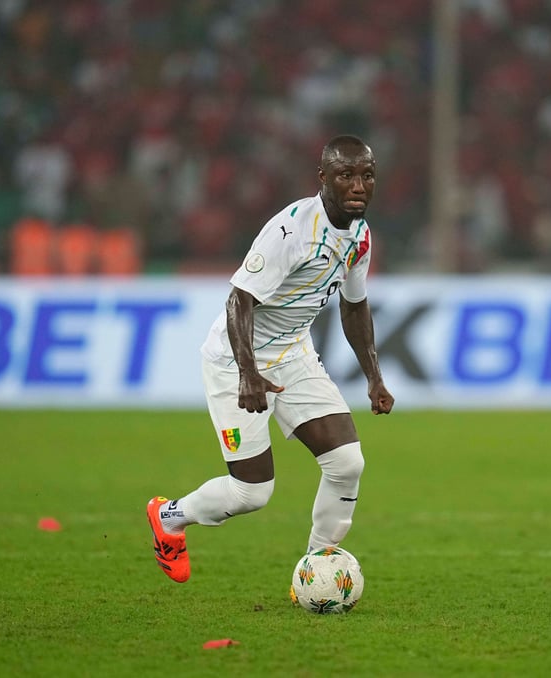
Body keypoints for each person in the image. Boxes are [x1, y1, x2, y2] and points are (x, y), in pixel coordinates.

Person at [146, 135, 395, 583]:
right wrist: (248, 374)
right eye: (346, 175)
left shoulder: (360, 235)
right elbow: (239, 300)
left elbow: (354, 305)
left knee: (347, 463)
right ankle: (169, 517)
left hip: (293, 353)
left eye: (367, 175)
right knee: (252, 492)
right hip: (235, 360)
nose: (358, 185)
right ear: (323, 179)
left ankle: (319, 564)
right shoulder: (292, 230)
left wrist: (373, 376)